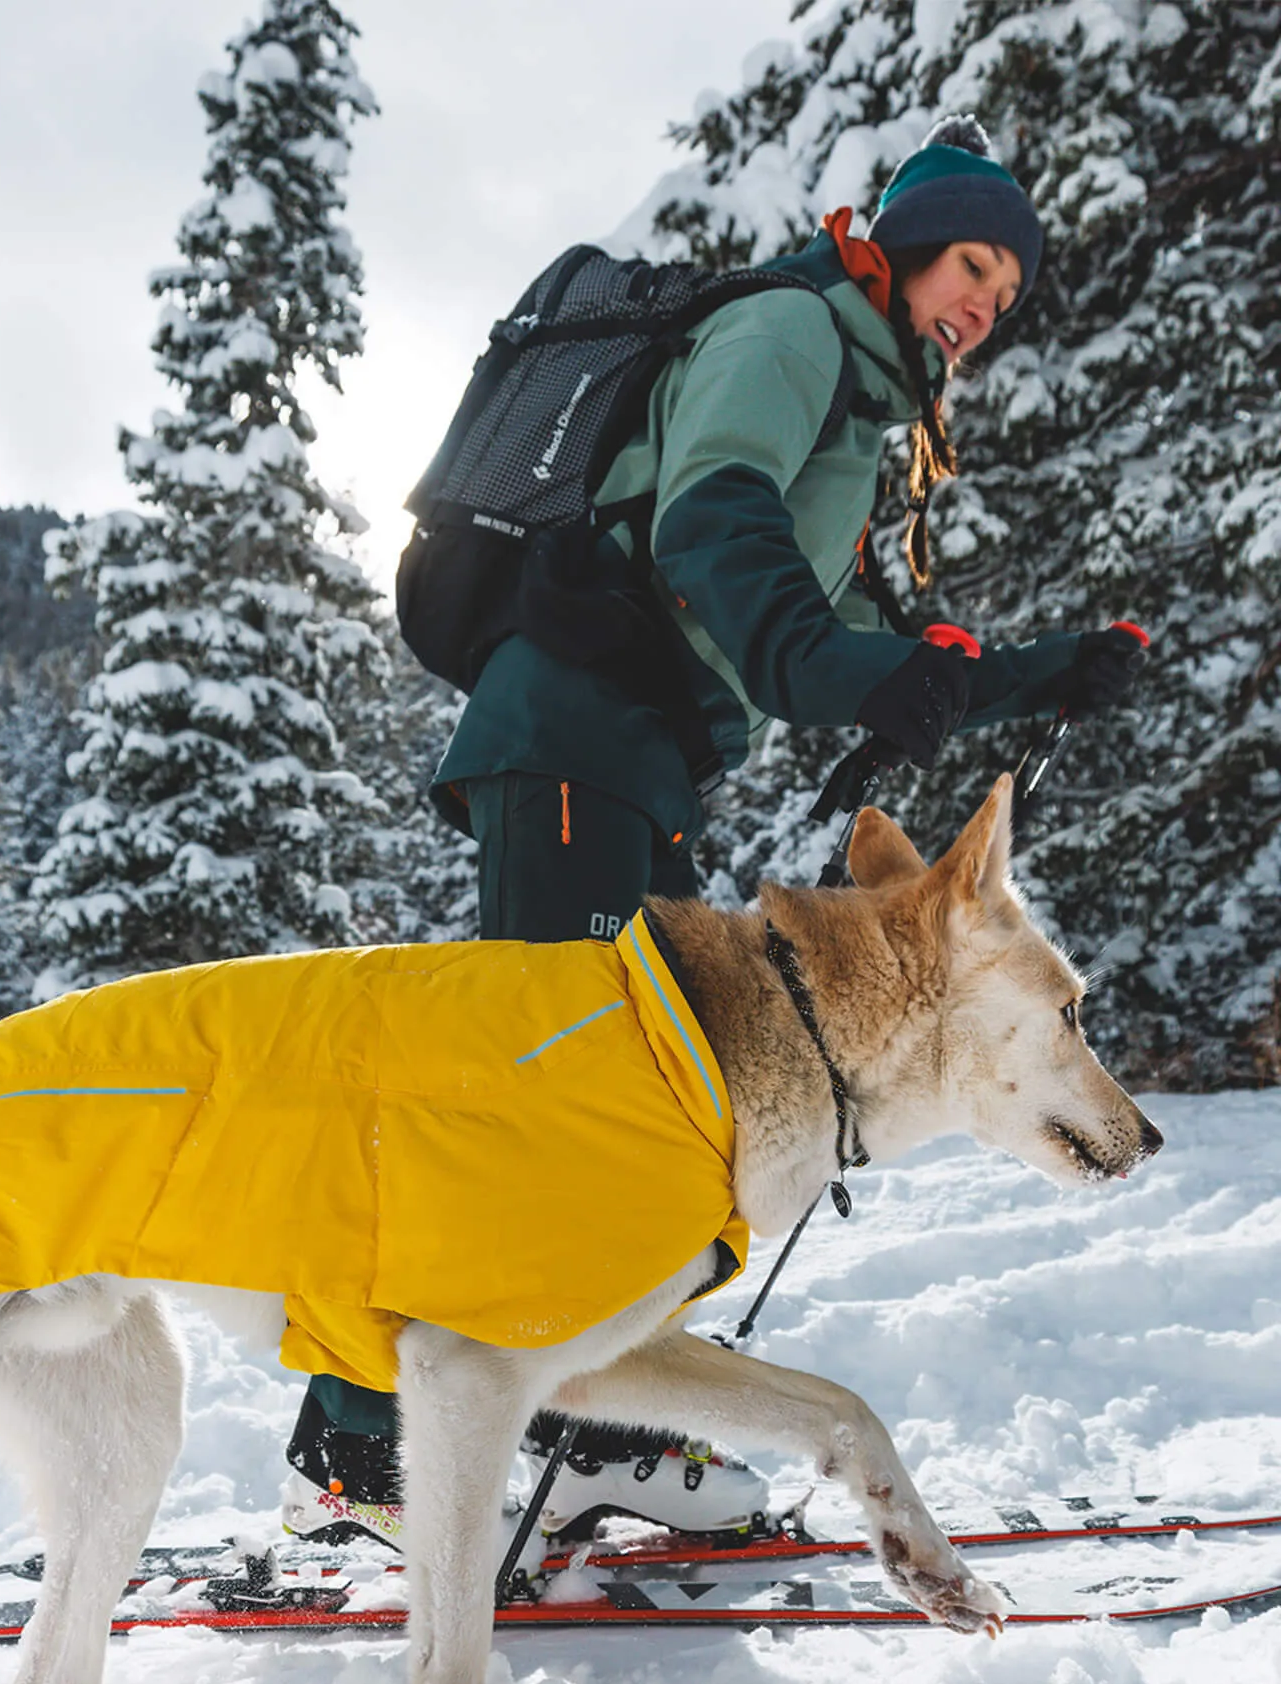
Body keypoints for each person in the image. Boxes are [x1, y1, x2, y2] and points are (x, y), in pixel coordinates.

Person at [283, 114, 1148, 1548]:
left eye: (1008, 287)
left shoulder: (863, 403)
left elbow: (868, 637)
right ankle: (365, 1450)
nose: (986, 300)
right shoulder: (789, 331)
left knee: (639, 1115)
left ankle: (588, 1426)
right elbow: (716, 530)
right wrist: (835, 662)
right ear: (911, 244)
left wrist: (1043, 670)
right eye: (973, 263)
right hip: (572, 736)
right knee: (557, 1107)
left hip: (635, 762)